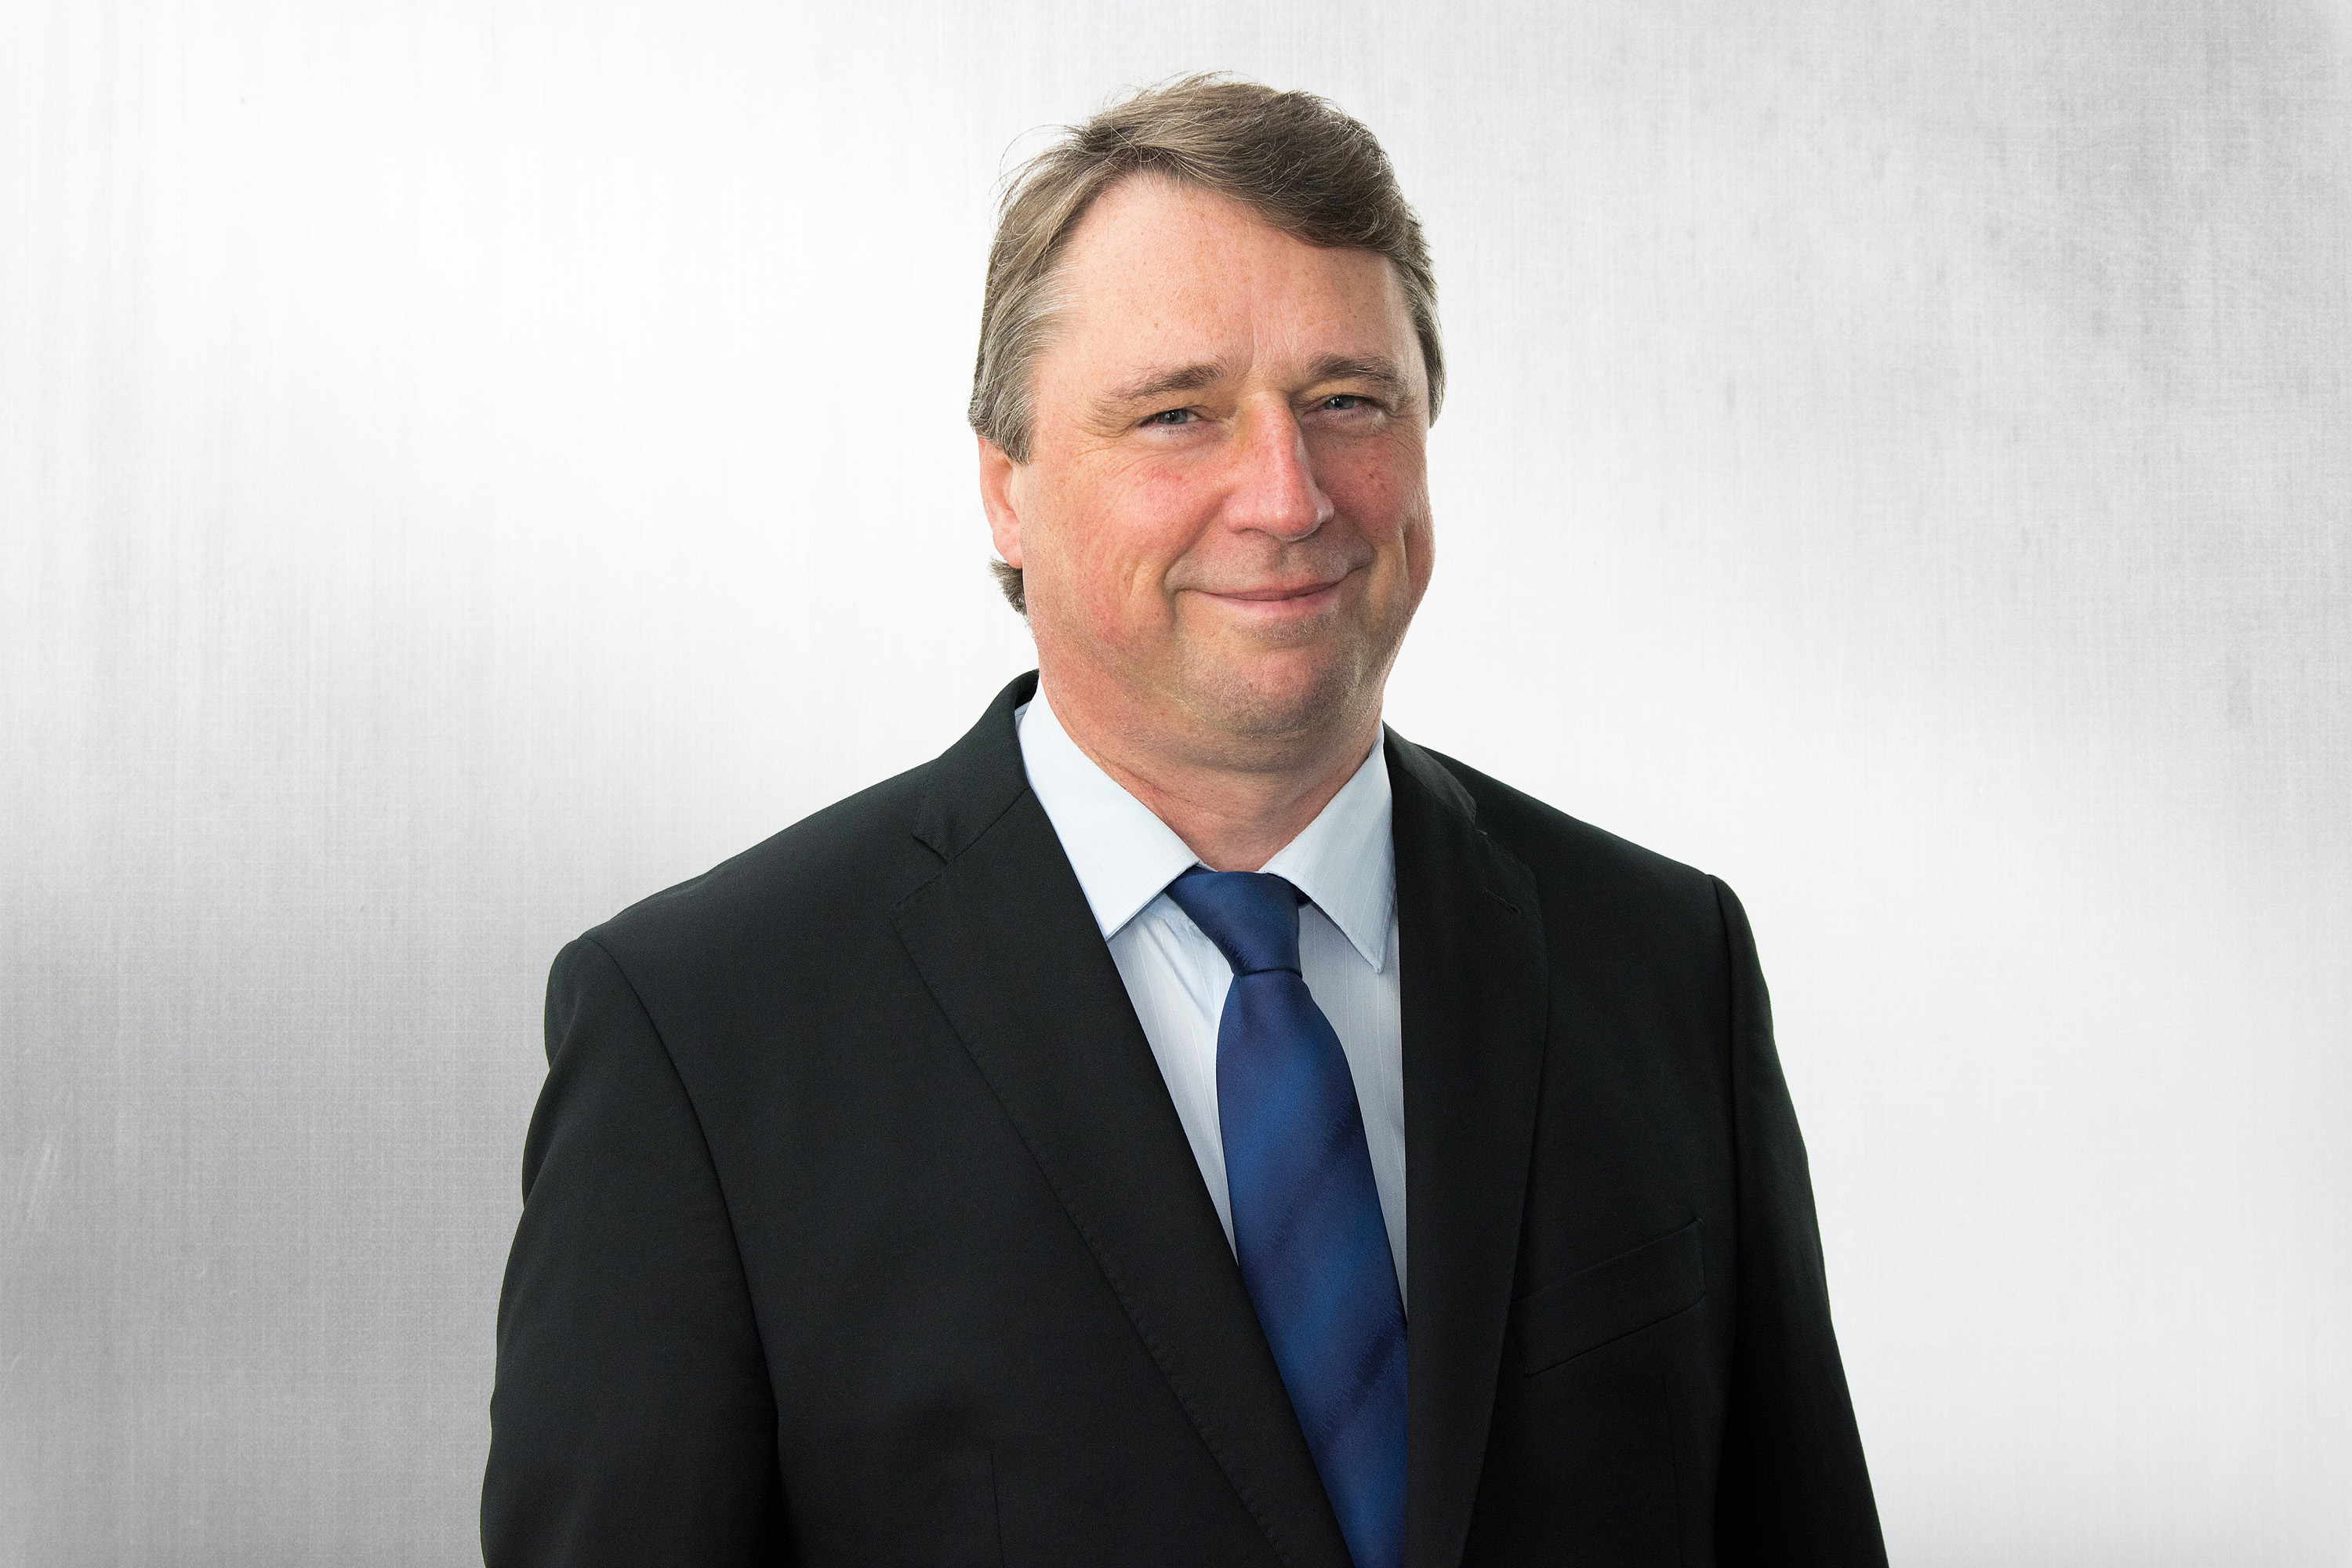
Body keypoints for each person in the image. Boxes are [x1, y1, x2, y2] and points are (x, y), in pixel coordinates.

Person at [482, 74, 1886, 1568]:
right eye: (1176, 414)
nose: (1286, 497)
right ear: (1007, 489)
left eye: (1348, 402)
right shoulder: (707, 1038)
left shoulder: (1663, 963)